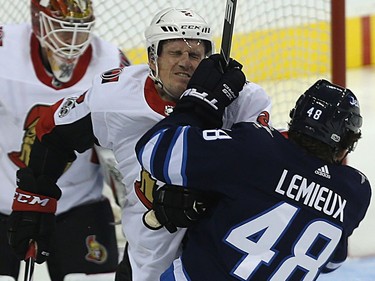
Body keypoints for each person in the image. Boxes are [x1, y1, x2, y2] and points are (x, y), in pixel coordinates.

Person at [6, 7, 272, 281]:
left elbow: (264, 177)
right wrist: (35, 201)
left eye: (195, 55)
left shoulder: (241, 102)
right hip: (145, 263)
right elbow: (53, 132)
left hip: (214, 264)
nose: (185, 62)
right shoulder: (117, 96)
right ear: (152, 58)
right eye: (175, 53)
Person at [135, 56, 372, 281]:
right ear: (345, 146)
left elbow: (154, 149)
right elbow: (332, 262)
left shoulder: (255, 148)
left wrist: (199, 102)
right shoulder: (356, 193)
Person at [0, 0, 130, 280]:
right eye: (61, 29)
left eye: (80, 30)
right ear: (38, 21)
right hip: (4, 201)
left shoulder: (110, 62)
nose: (72, 41)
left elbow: (123, 147)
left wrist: (133, 206)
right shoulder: (4, 47)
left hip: (79, 204)